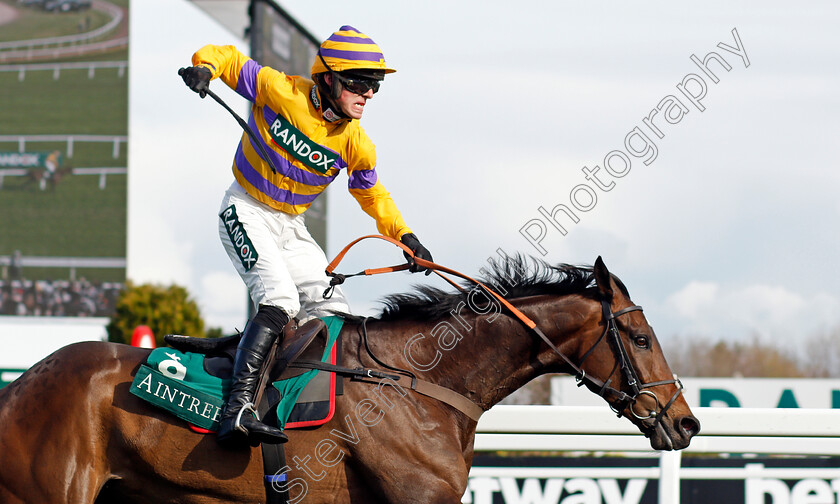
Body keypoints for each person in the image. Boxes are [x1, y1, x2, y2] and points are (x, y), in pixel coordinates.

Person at [180, 26, 433, 446]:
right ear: (328, 78)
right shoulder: (281, 90)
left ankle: (300, 407)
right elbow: (224, 56)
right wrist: (203, 69)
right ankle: (238, 408)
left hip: (291, 228)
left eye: (375, 85)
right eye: (359, 82)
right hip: (245, 209)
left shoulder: (358, 143)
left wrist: (404, 234)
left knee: (333, 310)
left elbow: (371, 193)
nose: (368, 93)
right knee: (279, 299)